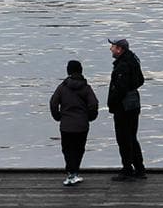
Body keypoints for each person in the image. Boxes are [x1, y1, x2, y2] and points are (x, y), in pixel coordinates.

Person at [49, 59, 99, 186]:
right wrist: (90, 118)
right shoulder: (86, 88)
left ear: (68, 71)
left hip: (66, 125)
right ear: (81, 70)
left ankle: (70, 173)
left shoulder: (62, 87)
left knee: (67, 149)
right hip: (82, 125)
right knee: (79, 149)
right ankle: (74, 172)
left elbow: (53, 103)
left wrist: (58, 117)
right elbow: (93, 104)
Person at [107, 37, 146, 180]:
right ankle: (139, 168)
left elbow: (120, 89)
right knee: (131, 137)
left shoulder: (123, 65)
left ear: (119, 49)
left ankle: (127, 169)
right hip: (134, 104)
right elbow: (140, 80)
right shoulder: (133, 60)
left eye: (113, 46)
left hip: (124, 107)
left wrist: (112, 103)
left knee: (123, 138)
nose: (111, 49)